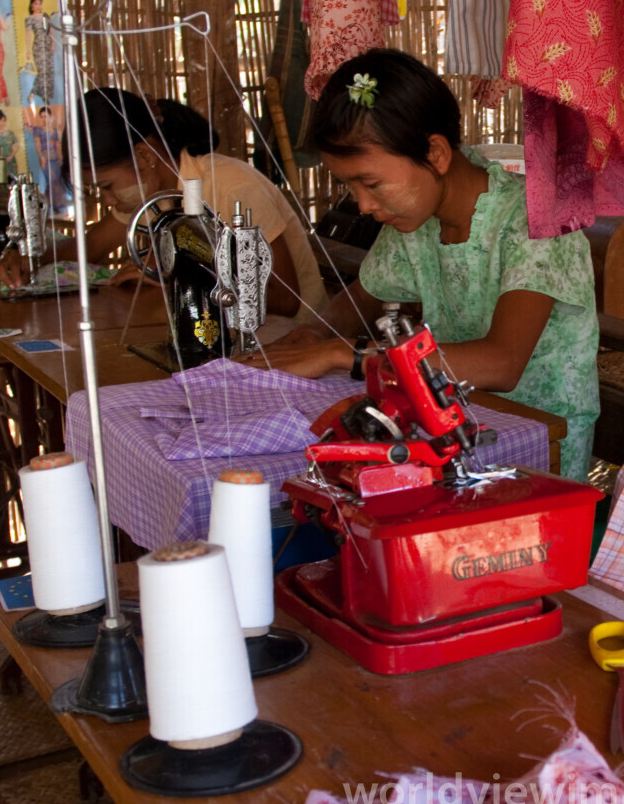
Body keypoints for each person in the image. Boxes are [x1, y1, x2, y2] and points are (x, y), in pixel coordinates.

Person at [239, 49, 600, 482]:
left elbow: (501, 364)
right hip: (452, 429)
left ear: (435, 154)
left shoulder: (534, 221)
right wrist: (308, 337)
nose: (364, 205)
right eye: (351, 185)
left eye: (370, 183)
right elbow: (351, 307)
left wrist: (343, 355)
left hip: (539, 444)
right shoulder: (417, 224)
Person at [0, 88, 330, 338]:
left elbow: (285, 300)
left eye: (107, 186)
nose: (107, 200)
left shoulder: (230, 186)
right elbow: (91, 248)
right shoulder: (154, 199)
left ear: (145, 157)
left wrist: (175, 275)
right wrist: (29, 259)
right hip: (219, 336)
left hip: (289, 340)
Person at [24, 0, 55, 103]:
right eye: (35, 4)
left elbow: (51, 32)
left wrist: (53, 44)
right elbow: (28, 35)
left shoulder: (45, 17)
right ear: (32, 5)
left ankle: (46, 96)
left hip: (47, 45)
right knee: (42, 71)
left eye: (39, 4)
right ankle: (33, 93)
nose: (38, 6)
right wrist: (27, 50)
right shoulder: (30, 19)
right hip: (38, 46)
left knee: (49, 71)